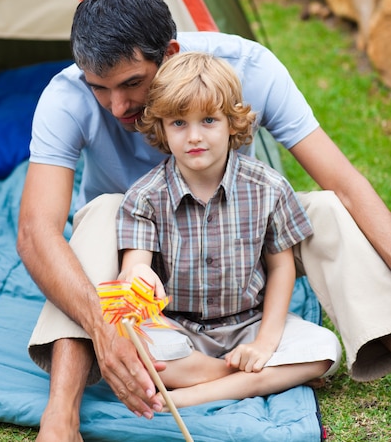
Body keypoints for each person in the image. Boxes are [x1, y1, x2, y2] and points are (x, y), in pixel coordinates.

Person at [17, 0, 391, 442]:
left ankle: (378, 336)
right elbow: (37, 231)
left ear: (169, 53)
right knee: (100, 213)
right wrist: (104, 324)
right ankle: (61, 417)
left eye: (132, 84)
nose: (117, 106)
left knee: (328, 208)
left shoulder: (247, 70)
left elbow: (347, 186)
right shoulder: (66, 97)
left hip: (241, 249)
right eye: (100, 88)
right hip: (142, 260)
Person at [116, 51, 341, 408]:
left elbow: (282, 267)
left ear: (231, 122)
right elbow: (135, 266)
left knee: (325, 350)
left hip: (248, 323)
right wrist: (139, 281)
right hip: (179, 329)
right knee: (132, 344)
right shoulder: (144, 197)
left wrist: (266, 342)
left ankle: (196, 393)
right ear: (160, 126)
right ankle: (238, 377)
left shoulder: (268, 187)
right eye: (178, 123)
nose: (194, 136)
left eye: (208, 120)